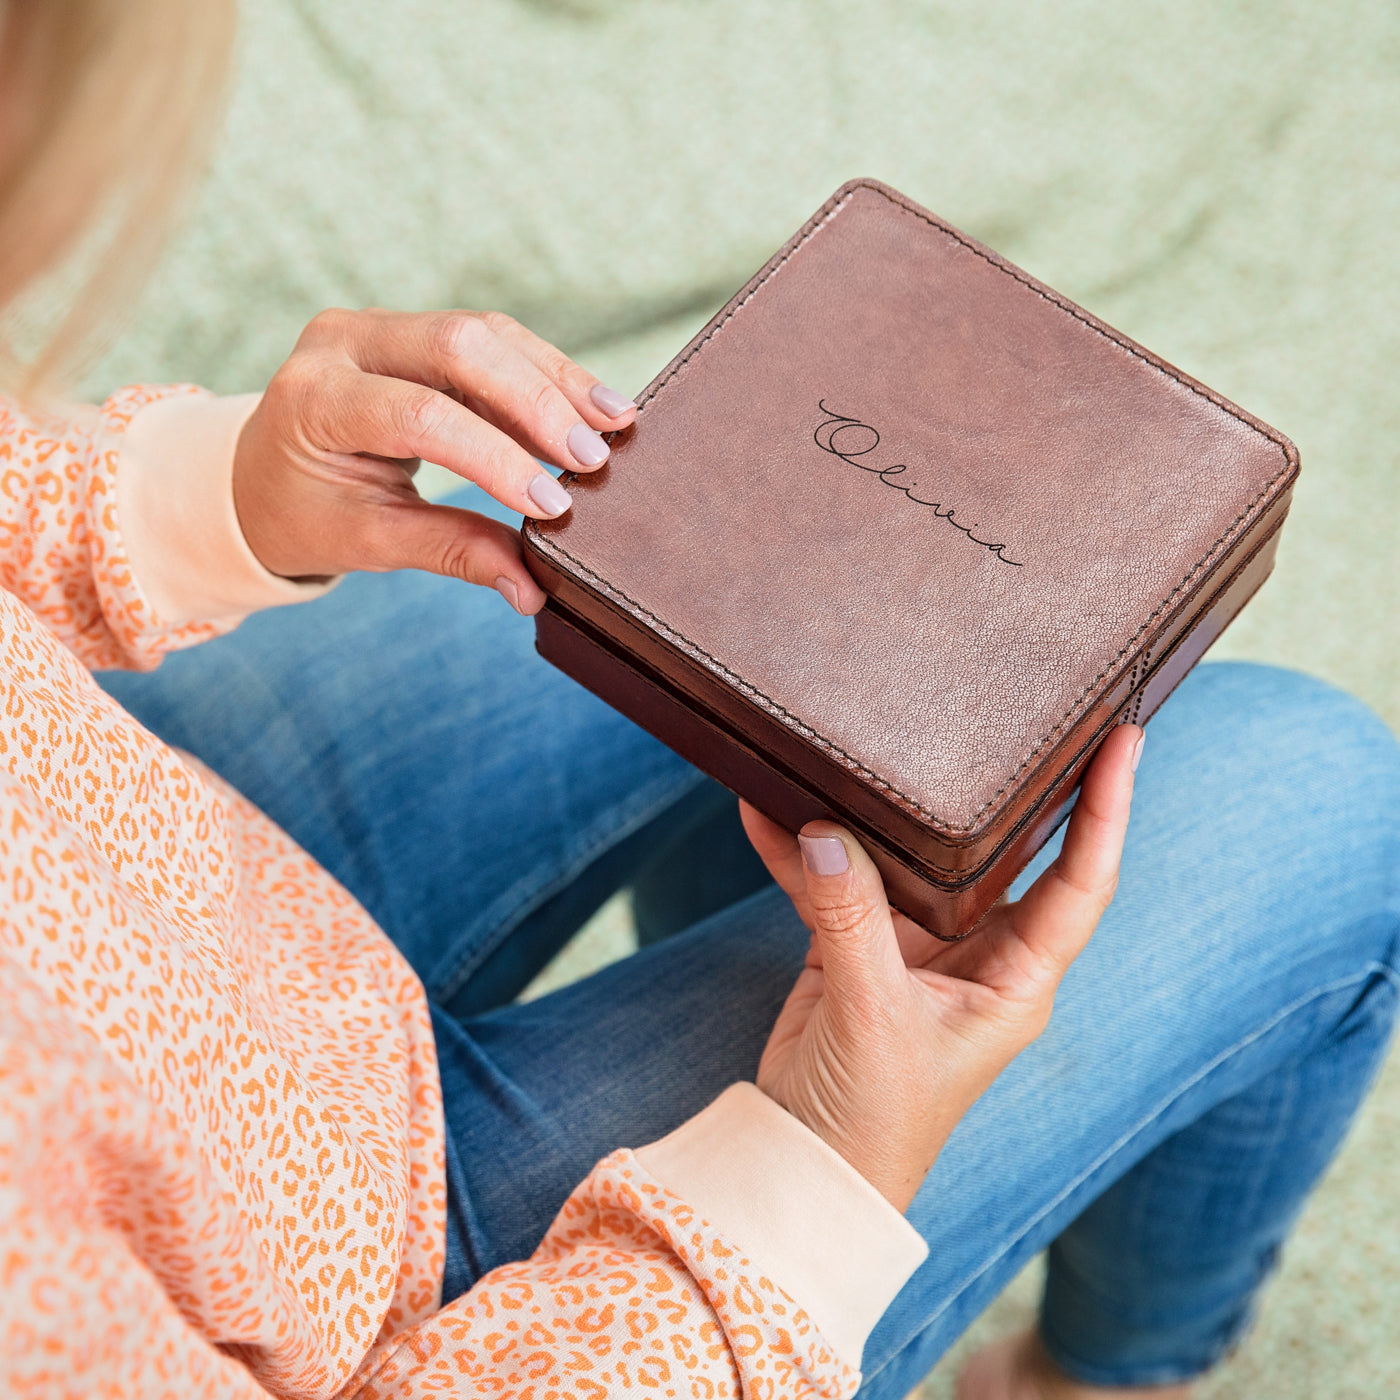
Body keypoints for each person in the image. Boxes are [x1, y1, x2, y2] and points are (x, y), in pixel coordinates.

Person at [1, 3, 1397, 1397]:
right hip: (386, 1312)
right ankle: (1113, 1373)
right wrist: (807, 1194)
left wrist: (191, 504)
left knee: (695, 555)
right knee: (1316, 796)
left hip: (129, 824)